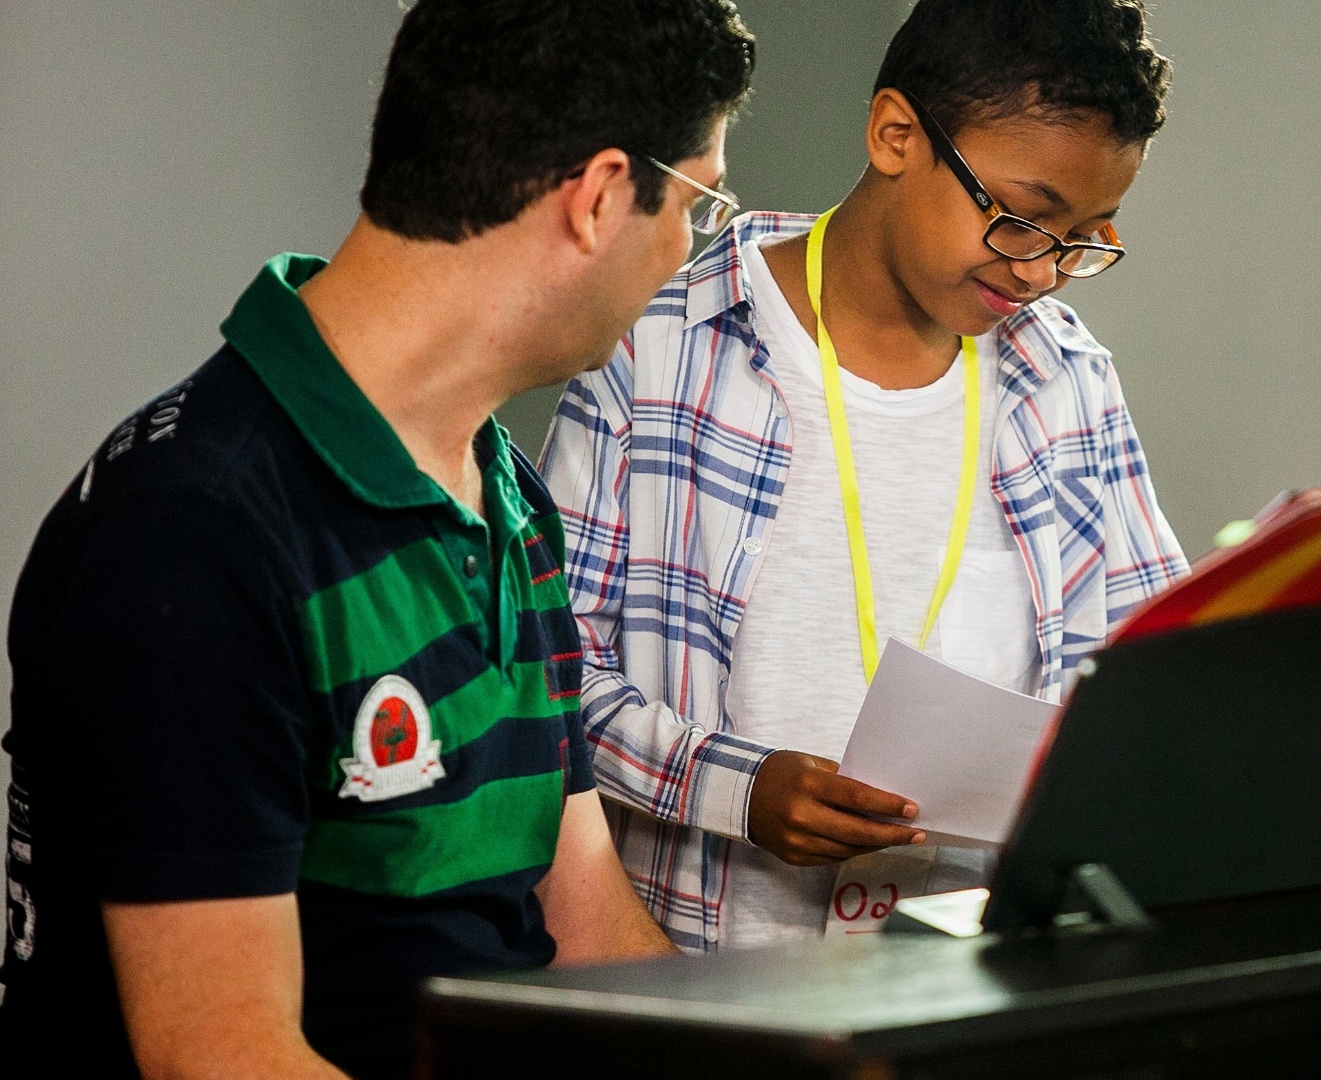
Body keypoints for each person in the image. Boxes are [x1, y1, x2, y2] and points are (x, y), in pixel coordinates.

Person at [0, 1, 755, 1075]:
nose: (690, 250)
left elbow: (588, 928)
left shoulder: (505, 496)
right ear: (596, 199)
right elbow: (221, 1059)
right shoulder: (191, 533)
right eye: (698, 204)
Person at [540, 0, 1186, 952]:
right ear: (896, 136)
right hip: (700, 987)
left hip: (970, 985)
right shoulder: (659, 346)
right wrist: (737, 787)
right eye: (1024, 219)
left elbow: (1145, 680)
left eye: (1087, 237)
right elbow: (549, 677)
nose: (1045, 273)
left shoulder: (1067, 381)